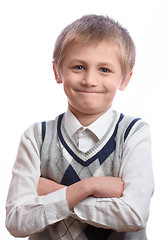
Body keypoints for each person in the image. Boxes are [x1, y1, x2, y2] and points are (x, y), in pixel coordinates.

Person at [6, 14, 154, 240]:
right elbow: (16, 222)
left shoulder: (133, 133)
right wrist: (88, 187)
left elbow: (134, 215)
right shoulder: (36, 137)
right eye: (78, 67)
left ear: (125, 78)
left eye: (104, 69)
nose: (90, 80)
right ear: (57, 72)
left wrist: (55, 195)